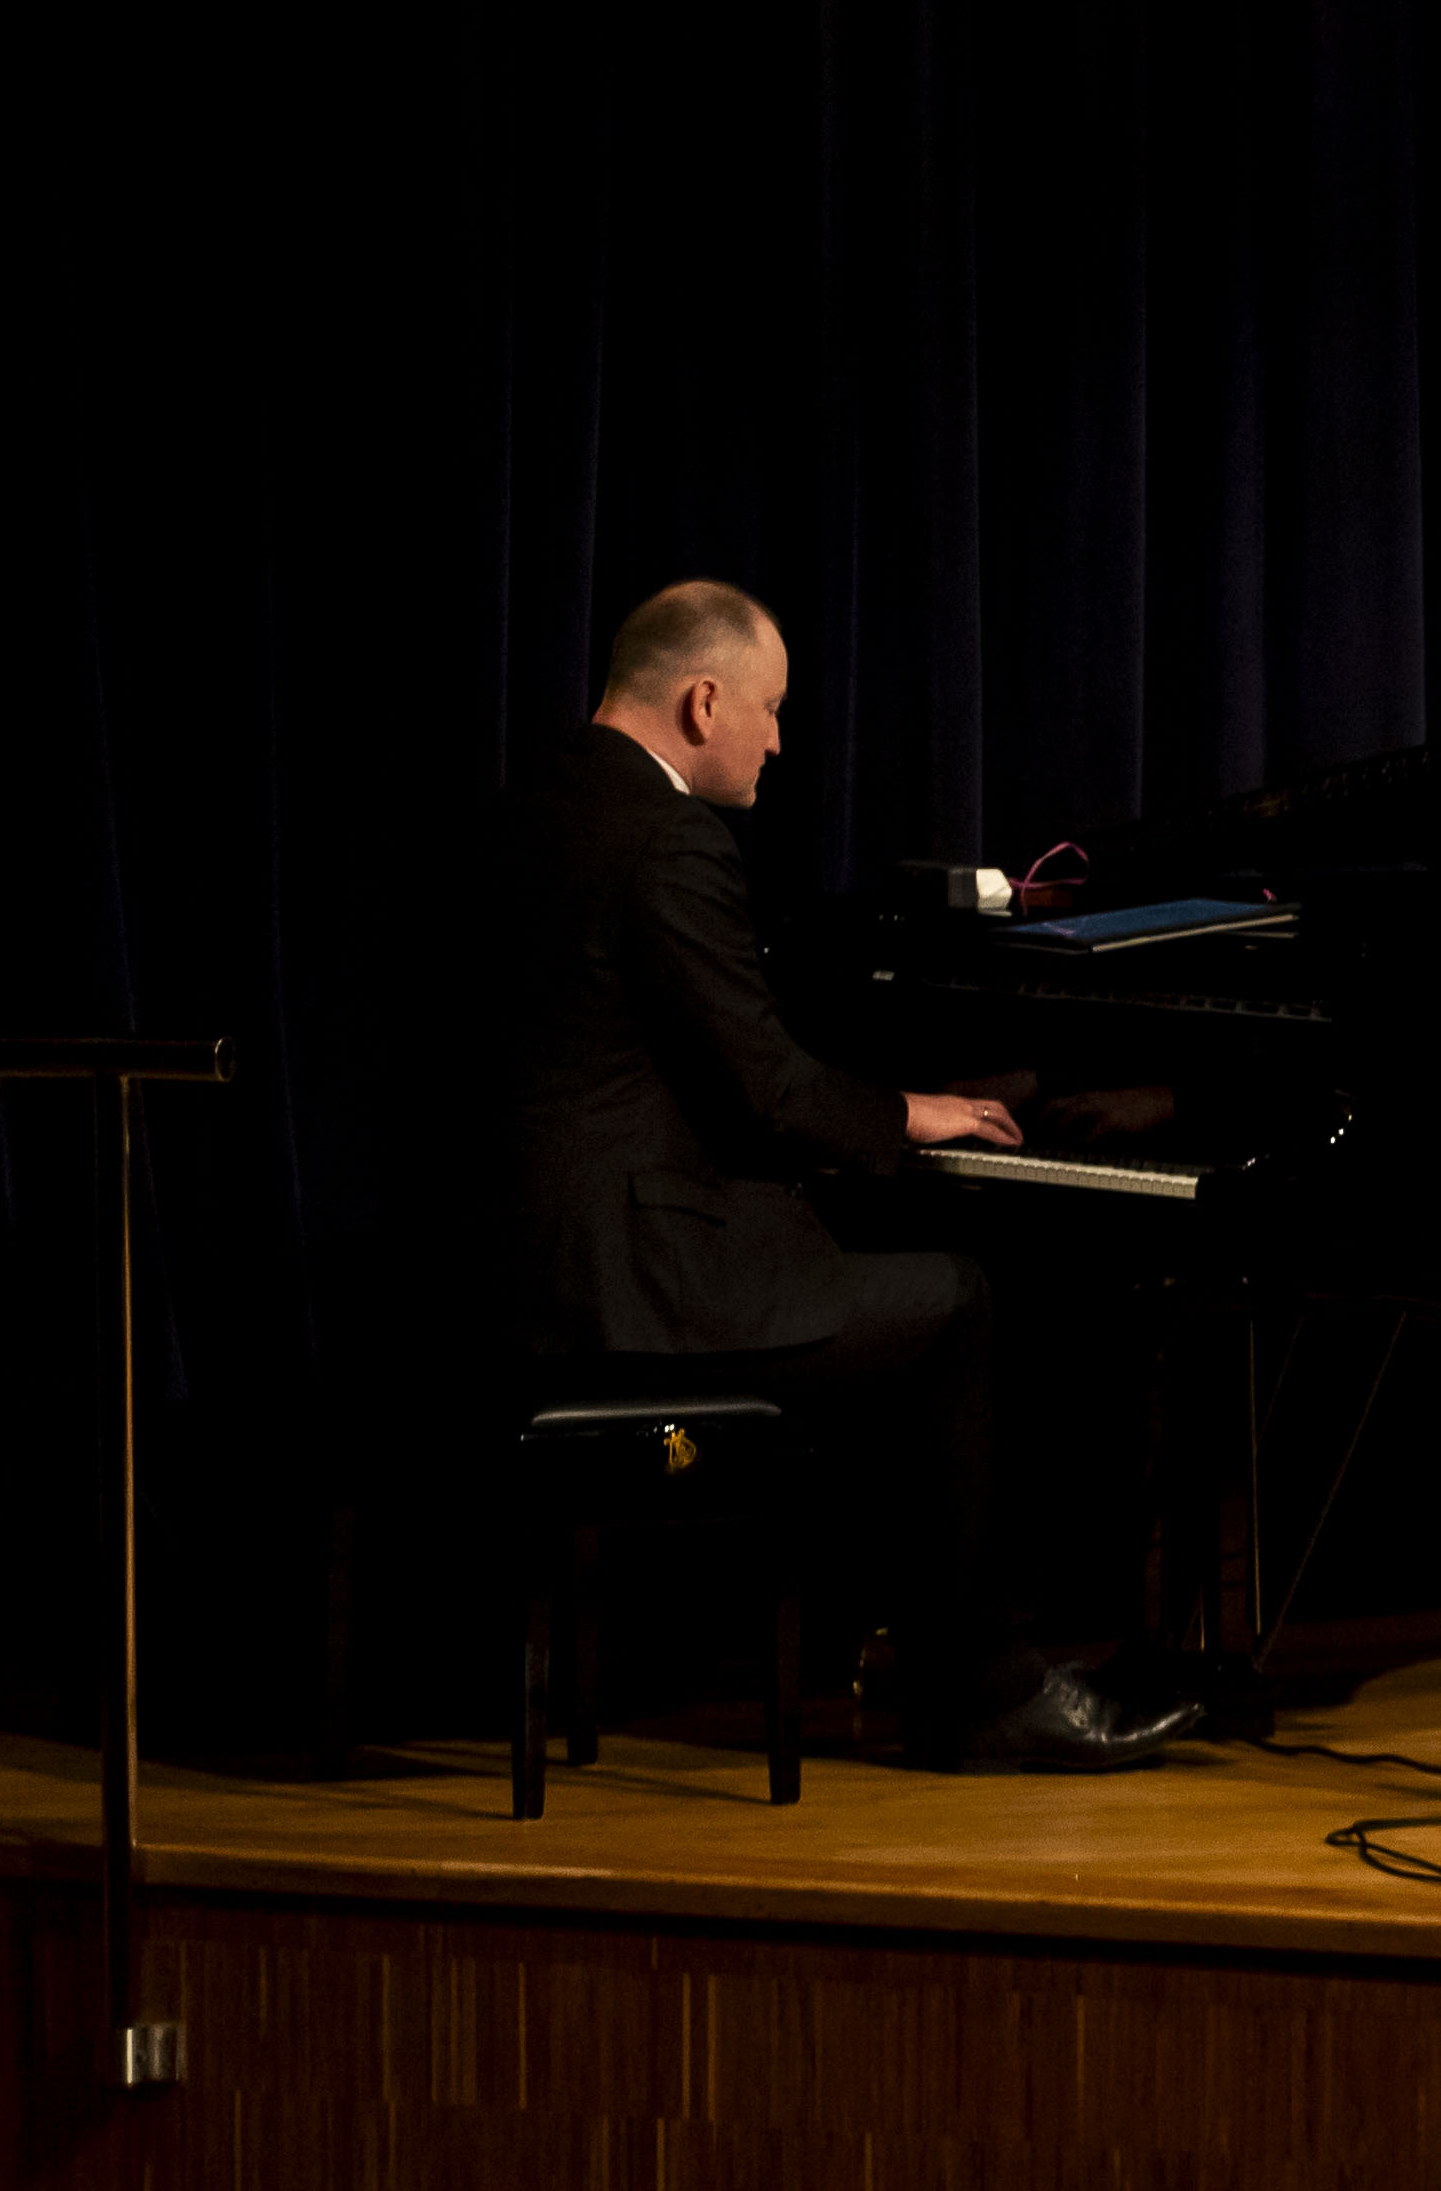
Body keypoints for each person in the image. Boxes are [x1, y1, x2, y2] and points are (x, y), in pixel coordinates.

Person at [503, 577, 1199, 1771]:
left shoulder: (534, 806)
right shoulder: (669, 837)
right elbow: (767, 1085)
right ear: (703, 699)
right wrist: (913, 1111)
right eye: (770, 708)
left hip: (524, 1262)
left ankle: (906, 1647)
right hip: (628, 1282)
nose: (778, 739)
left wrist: (874, 1118)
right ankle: (984, 1689)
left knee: (872, 1284)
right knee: (957, 1299)